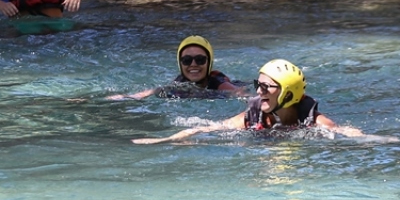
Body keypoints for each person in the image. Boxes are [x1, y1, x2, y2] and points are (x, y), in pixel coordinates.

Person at [132, 59, 367, 143]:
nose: (259, 92)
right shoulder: (252, 115)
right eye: (258, 85)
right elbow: (210, 127)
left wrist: (374, 140)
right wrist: (166, 139)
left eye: (267, 87)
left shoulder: (313, 120)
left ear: (288, 93)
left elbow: (348, 133)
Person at [108, 35, 244, 100]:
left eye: (200, 59)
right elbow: (152, 92)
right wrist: (126, 97)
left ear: (209, 63)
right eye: (187, 60)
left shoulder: (219, 83)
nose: (193, 64)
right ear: (180, 63)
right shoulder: (179, 83)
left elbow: (242, 94)